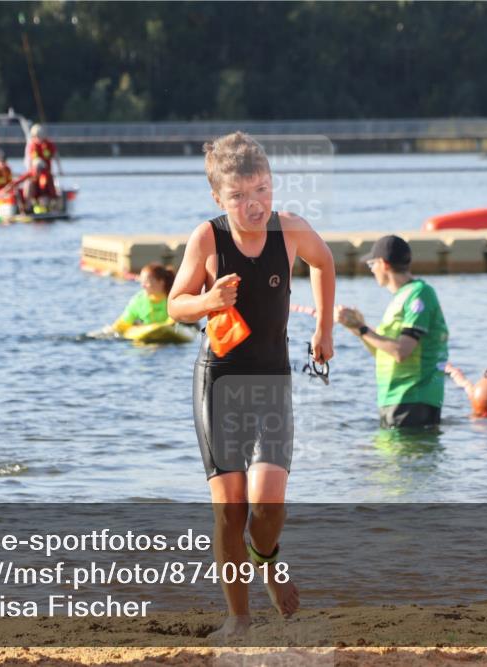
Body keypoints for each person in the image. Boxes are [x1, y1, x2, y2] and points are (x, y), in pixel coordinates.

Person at [167, 131, 335, 638]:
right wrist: (207, 301)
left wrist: (323, 329)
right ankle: (237, 619)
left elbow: (324, 263)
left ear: (272, 185)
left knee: (267, 508)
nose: (253, 203)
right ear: (219, 198)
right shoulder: (208, 238)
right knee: (230, 507)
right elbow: (175, 304)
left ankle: (267, 557)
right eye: (239, 196)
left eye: (261, 189)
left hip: (271, 383)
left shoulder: (292, 232)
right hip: (219, 382)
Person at [335, 235, 449, 428]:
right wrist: (355, 327)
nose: (372, 270)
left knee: (399, 457)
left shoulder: (419, 294)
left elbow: (401, 351)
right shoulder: (400, 297)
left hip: (414, 398)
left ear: (383, 264)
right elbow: (382, 352)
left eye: (372, 264)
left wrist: (362, 328)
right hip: (393, 399)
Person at [111, 263, 175, 334]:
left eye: (146, 282)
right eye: (142, 282)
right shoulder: (139, 300)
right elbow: (125, 320)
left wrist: (163, 327)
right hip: (146, 336)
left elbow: (174, 320)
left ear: (161, 282)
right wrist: (112, 329)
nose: (143, 286)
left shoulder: (173, 299)